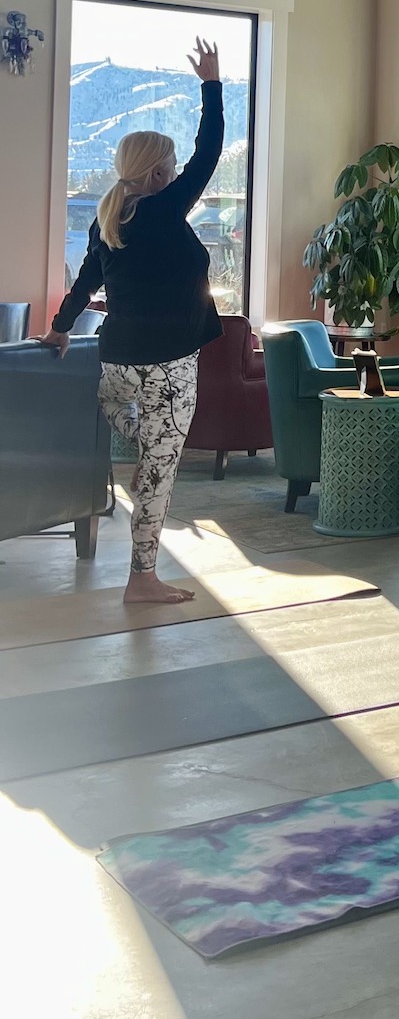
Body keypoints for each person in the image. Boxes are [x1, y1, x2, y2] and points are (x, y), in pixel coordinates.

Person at [42, 39, 228, 603]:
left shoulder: (109, 219)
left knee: (130, 423)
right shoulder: (166, 208)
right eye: (170, 167)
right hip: (168, 366)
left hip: (116, 363)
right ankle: (142, 578)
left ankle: (147, 450)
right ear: (158, 173)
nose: (176, 173)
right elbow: (210, 150)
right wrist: (212, 85)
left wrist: (59, 328)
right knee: (159, 471)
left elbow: (85, 284)